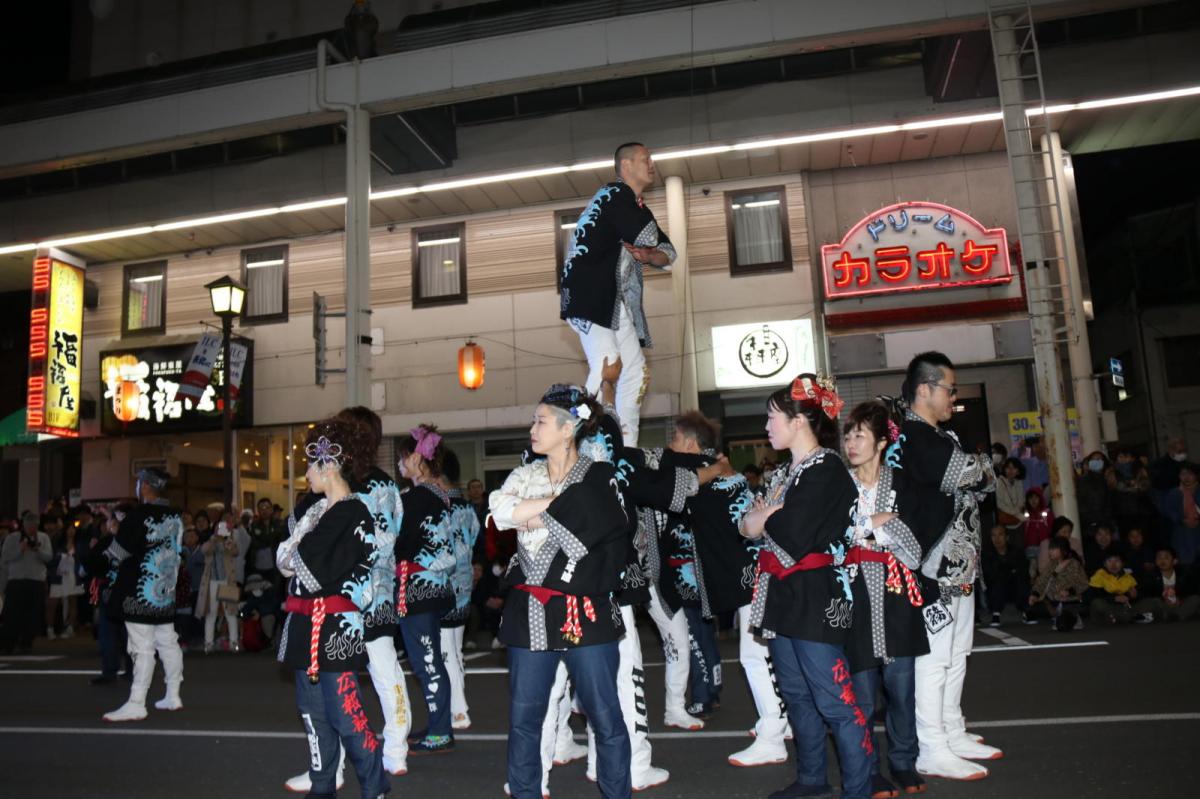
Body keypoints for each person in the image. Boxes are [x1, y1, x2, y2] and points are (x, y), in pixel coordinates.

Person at [489, 384, 632, 799]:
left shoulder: (599, 473)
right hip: (530, 609)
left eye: (541, 421)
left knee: (604, 716)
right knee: (524, 719)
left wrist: (528, 515)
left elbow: (604, 519)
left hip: (582, 607)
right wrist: (556, 507)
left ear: (568, 429)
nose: (532, 429)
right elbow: (499, 511)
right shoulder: (524, 473)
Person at [738, 374, 872, 799]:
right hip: (783, 596)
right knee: (796, 695)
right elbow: (745, 525)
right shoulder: (786, 472)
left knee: (834, 699)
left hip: (818, 595)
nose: (767, 426)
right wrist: (766, 517)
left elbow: (791, 531)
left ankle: (859, 787)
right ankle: (812, 778)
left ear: (799, 420)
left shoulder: (827, 467)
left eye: (773, 417)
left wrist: (767, 517)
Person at [889, 352, 1001, 780]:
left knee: (957, 654)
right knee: (935, 660)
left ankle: (952, 731)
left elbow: (982, 476)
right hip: (933, 568)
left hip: (959, 566)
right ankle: (931, 746)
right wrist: (982, 467)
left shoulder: (939, 436)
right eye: (949, 389)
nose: (954, 396)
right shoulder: (916, 438)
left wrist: (982, 469)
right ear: (924, 389)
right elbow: (973, 473)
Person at [275, 419, 390, 799]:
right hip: (306, 623)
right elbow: (284, 558)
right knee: (312, 716)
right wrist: (296, 553)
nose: (306, 474)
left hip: (338, 627)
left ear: (328, 465)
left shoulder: (354, 511)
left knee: (346, 716)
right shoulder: (316, 511)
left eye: (310, 465)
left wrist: (296, 553)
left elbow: (305, 564)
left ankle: (375, 787)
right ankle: (322, 787)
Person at [558, 142, 676, 446]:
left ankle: (624, 446)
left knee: (635, 371)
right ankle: (576, 439)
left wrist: (648, 256)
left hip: (613, 302)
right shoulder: (614, 195)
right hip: (588, 295)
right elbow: (649, 237)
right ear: (625, 166)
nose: (652, 164)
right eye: (645, 159)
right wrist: (647, 249)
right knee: (608, 362)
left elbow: (668, 253)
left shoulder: (634, 205)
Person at [842, 400, 930, 798]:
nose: (851, 442)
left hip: (895, 595)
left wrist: (870, 530)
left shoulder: (903, 484)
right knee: (859, 692)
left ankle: (903, 760)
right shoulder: (839, 485)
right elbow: (832, 535)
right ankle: (869, 767)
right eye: (848, 434)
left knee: (901, 687)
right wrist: (877, 522)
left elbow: (914, 551)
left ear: (880, 442)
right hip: (854, 596)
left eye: (860, 434)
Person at [101, 468, 186, 722]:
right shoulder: (176, 516)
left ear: (146, 487)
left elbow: (117, 553)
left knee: (142, 647)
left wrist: (111, 537)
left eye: (139, 483)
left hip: (140, 591)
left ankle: (137, 702)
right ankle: (173, 694)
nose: (137, 487)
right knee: (168, 641)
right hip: (165, 591)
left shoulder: (138, 516)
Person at [396, 424, 457, 755]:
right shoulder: (437, 494)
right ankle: (437, 723)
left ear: (419, 458)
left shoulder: (418, 497)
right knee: (428, 660)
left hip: (419, 588)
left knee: (427, 662)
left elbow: (401, 541)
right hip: (429, 587)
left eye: (404, 457)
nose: (400, 464)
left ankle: (441, 729)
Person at [439, 449, 481, 733]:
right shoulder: (467, 508)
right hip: (465, 582)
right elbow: (475, 537)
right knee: (454, 648)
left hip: (445, 583)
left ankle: (458, 709)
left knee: (446, 652)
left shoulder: (441, 508)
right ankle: (458, 702)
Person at [83, 508, 133, 684]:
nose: (109, 525)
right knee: (129, 633)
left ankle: (111, 672)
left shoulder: (109, 543)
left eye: (111, 521)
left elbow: (92, 565)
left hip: (112, 591)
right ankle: (131, 671)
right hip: (129, 591)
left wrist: (93, 552)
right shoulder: (135, 542)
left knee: (110, 632)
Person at [0, 512, 53, 654]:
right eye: (29, 526)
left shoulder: (44, 537)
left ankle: (26, 641)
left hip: (36, 581)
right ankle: (8, 643)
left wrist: (38, 550)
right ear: (23, 525)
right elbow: (5, 557)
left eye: (34, 526)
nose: (32, 529)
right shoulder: (12, 538)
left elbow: (49, 557)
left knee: (33, 614)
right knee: (12, 614)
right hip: (16, 580)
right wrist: (20, 549)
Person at [196, 517, 240, 653]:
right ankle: (208, 643)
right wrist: (215, 539)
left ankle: (234, 642)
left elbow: (235, 551)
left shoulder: (229, 541)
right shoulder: (210, 541)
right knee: (211, 613)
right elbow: (204, 550)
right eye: (217, 527)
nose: (220, 530)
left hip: (227, 581)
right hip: (211, 582)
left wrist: (227, 539)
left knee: (230, 613)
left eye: (222, 528)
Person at [1025, 538, 1089, 631]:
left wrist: (1069, 591)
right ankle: (1058, 615)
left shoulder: (1074, 564)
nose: (1050, 551)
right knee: (1030, 610)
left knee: (1062, 625)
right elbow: (1042, 581)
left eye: (1054, 549)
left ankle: (1075, 618)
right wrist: (1035, 594)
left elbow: (1083, 583)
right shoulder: (1052, 564)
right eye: (1050, 548)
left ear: (1063, 551)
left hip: (1070, 602)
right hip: (1053, 601)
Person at [1135, 546, 1199, 622]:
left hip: (1179, 605)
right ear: (1155, 561)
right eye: (1159, 557)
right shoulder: (1150, 576)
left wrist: (1179, 600)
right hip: (1162, 605)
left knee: (1195, 599)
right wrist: (1163, 599)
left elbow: (1192, 591)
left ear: (1174, 561)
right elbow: (1146, 594)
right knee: (1152, 602)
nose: (1162, 560)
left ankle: (1175, 616)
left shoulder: (1184, 574)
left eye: (1166, 557)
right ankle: (1165, 615)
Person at [982, 525, 1028, 626]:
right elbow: (989, 574)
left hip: (1014, 584)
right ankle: (996, 614)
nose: (997, 539)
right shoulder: (987, 554)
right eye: (993, 536)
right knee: (998, 581)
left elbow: (1022, 570)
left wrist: (1008, 571)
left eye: (1000, 535)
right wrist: (1009, 570)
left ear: (1007, 537)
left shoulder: (1017, 551)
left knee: (1020, 579)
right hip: (995, 587)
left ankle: (1026, 612)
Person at [47, 515, 85, 639]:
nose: (71, 531)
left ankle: (69, 627)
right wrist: (61, 558)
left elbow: (82, 560)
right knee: (53, 602)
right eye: (69, 529)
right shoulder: (58, 544)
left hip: (73, 576)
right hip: (59, 576)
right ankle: (50, 628)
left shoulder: (78, 545)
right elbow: (51, 560)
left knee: (73, 602)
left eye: (73, 529)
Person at [1087, 552, 1139, 625]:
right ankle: (1127, 616)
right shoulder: (1099, 575)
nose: (1113, 565)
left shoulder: (1128, 577)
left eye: (1117, 561)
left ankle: (1124, 616)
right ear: (1105, 564)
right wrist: (1114, 598)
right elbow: (1094, 595)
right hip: (1106, 605)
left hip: (1122, 607)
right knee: (1097, 603)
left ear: (1122, 564)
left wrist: (1133, 595)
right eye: (1109, 561)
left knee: (1154, 602)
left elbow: (1134, 596)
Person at [1162, 465, 1200, 566]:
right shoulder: (1174, 493)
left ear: (1196, 476)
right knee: (1186, 562)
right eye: (1183, 474)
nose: (1186, 477)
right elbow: (1167, 510)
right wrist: (1181, 519)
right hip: (1182, 532)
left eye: (1190, 474)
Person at [1077, 450, 1115, 532]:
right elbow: (1082, 502)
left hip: (1108, 522)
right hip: (1092, 523)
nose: (1096, 462)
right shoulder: (1084, 480)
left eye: (1099, 459)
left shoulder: (1109, 478)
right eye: (1093, 460)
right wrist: (1093, 520)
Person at [995, 458, 1026, 543]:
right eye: (1008, 467)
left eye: (1014, 468)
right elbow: (999, 503)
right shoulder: (999, 482)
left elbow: (1021, 500)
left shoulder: (1018, 482)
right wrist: (1016, 513)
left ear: (1018, 471)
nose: (1010, 470)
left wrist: (1017, 513)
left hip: (1018, 522)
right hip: (1006, 523)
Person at [1021, 488, 1053, 566]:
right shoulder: (1025, 514)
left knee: (1045, 569)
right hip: (1030, 547)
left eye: (1036, 497)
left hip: (1045, 548)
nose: (1033, 500)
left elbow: (1052, 529)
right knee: (1032, 570)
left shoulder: (1047, 513)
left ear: (1040, 498)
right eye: (1031, 498)